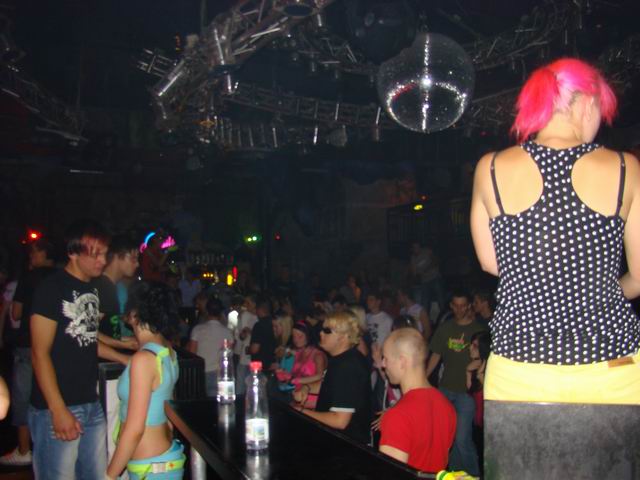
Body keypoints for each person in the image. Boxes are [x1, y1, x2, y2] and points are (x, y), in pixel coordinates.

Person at [470, 58, 640, 406]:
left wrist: (543, 287)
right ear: (588, 103)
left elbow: (490, 263)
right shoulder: (625, 167)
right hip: (609, 361)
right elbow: (639, 277)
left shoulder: (491, 167)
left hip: (520, 363)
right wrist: (592, 290)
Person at [29, 220, 129, 479]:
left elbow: (85, 339)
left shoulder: (92, 289)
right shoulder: (52, 288)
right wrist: (58, 409)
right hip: (57, 405)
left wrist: (122, 356)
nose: (102, 261)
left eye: (104, 254)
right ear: (73, 253)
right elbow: (39, 353)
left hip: (90, 403)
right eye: (95, 254)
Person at [106, 282, 185, 480]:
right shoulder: (168, 352)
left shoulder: (144, 360)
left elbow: (134, 429)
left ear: (134, 314)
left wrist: (109, 476)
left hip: (151, 466)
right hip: (162, 459)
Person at [0, 239, 57, 467]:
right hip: (56, 346)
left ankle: (24, 450)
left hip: (29, 343)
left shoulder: (30, 277)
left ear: (44, 252)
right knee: (49, 394)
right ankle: (50, 447)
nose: (31, 256)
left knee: (22, 396)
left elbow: (16, 313)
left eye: (34, 252)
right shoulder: (62, 277)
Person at [426, 289, 486, 476]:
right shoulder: (446, 328)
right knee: (448, 437)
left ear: (469, 306)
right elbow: (436, 354)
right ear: (451, 306)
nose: (459, 309)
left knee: (462, 439)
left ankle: (473, 475)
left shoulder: (479, 329)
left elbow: (486, 357)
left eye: (463, 305)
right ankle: (455, 474)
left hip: (466, 392)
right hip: (445, 389)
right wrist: (424, 377)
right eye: (456, 305)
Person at [379, 328, 456, 473]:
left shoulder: (397, 416)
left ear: (402, 361)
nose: (383, 364)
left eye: (386, 358)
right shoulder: (446, 405)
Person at [295, 311, 372, 444]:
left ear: (343, 337)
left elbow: (340, 421)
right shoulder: (341, 358)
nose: (321, 333)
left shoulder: (348, 366)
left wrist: (301, 411)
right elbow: (330, 384)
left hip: (349, 444)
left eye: (327, 331)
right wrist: (307, 387)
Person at [187, 297, 234, 397]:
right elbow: (229, 355)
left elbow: (192, 354)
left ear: (207, 312)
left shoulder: (197, 330)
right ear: (220, 313)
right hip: (220, 374)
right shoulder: (227, 332)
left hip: (202, 373)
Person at [96, 235, 140, 340]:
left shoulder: (112, 286)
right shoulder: (103, 287)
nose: (137, 264)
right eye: (133, 258)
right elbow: (88, 334)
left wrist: (129, 340)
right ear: (117, 256)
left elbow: (108, 332)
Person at [277, 321, 326, 408]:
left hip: (311, 402)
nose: (296, 339)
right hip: (296, 399)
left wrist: (294, 380)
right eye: (294, 336)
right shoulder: (297, 353)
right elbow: (296, 376)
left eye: (300, 336)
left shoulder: (318, 355)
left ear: (308, 336)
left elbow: (320, 376)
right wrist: (284, 376)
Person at [235, 294, 259, 395]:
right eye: (245, 302)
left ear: (254, 304)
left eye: (248, 303)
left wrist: (250, 332)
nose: (245, 304)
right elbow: (241, 336)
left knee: (251, 385)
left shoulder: (259, 317)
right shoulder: (244, 315)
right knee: (241, 384)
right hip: (244, 355)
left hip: (255, 356)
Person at [249, 295, 277, 370]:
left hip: (260, 366)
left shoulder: (259, 325)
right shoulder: (275, 323)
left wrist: (248, 349)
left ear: (259, 310)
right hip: (272, 363)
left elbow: (254, 349)